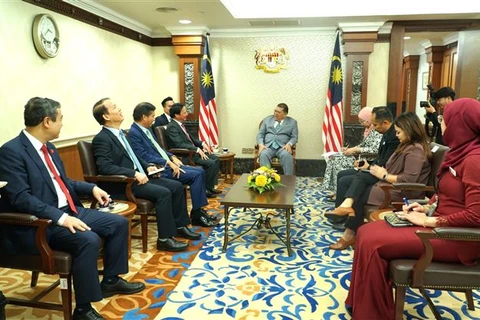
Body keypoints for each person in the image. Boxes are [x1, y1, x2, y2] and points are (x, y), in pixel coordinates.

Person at [0, 97, 145, 320]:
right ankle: (83, 309)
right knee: (87, 239)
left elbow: (62, 181)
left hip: (68, 209)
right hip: (41, 222)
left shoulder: (49, 148)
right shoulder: (11, 151)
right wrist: (60, 217)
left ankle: (111, 280)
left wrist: (92, 187)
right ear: (47, 121)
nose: (62, 123)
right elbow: (21, 198)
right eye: (61, 119)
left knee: (118, 223)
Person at [346, 98, 480, 320]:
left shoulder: (474, 160)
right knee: (365, 232)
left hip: (458, 238)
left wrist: (430, 221)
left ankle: (373, 314)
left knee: (373, 240)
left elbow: (476, 215)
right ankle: (366, 304)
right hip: (441, 223)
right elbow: (451, 195)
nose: (442, 125)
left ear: (460, 124)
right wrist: (428, 205)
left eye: (444, 120)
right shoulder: (463, 153)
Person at [91, 98, 201, 252]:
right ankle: (164, 239)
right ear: (106, 116)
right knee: (164, 193)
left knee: (176, 186)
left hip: (141, 178)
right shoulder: (102, 139)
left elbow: (135, 157)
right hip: (125, 184)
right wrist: (134, 173)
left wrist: (147, 166)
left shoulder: (122, 134)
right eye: (114, 107)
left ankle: (180, 226)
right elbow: (105, 167)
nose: (120, 109)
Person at [326, 112, 431, 250]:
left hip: (401, 191)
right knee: (361, 178)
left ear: (408, 130)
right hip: (389, 185)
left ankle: (349, 233)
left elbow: (408, 179)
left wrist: (384, 175)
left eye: (399, 132)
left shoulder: (415, 151)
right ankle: (349, 220)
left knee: (359, 193)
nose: (397, 135)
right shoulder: (406, 145)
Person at [128, 102, 218, 227]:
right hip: (159, 169)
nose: (155, 119)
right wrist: (168, 162)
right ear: (144, 117)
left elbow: (159, 149)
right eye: (152, 116)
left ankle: (198, 211)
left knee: (200, 172)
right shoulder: (134, 133)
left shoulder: (147, 130)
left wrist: (172, 157)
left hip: (167, 164)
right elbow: (143, 156)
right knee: (196, 175)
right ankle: (197, 215)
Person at [326, 106, 400, 230]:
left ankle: (344, 212)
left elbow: (386, 163)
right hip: (376, 169)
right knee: (343, 175)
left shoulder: (394, 137)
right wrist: (365, 164)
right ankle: (341, 214)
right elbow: (380, 157)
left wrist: (369, 166)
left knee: (346, 181)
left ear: (385, 122)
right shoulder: (386, 133)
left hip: (383, 174)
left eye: (375, 125)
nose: (374, 128)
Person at [321, 106, 382, 195]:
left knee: (338, 161)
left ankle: (339, 191)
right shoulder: (368, 130)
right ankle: (336, 190)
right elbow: (362, 145)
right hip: (359, 156)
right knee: (334, 158)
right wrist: (350, 149)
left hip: (366, 160)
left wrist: (356, 149)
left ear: (369, 120)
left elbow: (374, 149)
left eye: (362, 121)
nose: (361, 124)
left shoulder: (376, 131)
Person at [166, 103, 221, 195]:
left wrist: (202, 143)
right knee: (210, 163)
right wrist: (196, 149)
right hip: (185, 155)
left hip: (193, 153)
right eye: (184, 112)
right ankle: (205, 190)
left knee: (216, 159)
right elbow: (180, 144)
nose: (187, 113)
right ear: (176, 115)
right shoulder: (172, 127)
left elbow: (192, 139)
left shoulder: (181, 125)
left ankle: (210, 187)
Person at [256, 103, 298, 175]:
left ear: (285, 114)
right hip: (268, 147)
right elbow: (260, 134)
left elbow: (294, 137)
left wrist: (289, 144)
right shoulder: (267, 120)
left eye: (278, 112)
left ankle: (289, 180)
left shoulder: (292, 122)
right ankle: (266, 179)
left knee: (287, 156)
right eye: (275, 111)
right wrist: (261, 144)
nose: (275, 113)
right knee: (263, 154)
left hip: (283, 147)